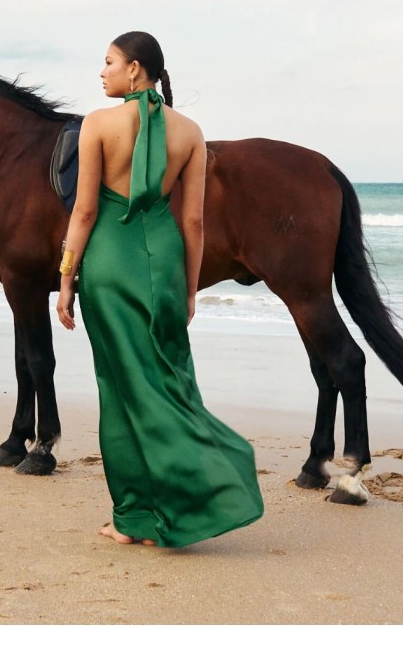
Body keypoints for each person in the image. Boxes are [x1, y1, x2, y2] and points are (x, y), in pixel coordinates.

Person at [56, 31, 263, 547]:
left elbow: (84, 211)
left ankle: (133, 518)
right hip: (165, 262)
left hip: (108, 263)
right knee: (170, 381)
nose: (100, 72)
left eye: (108, 62)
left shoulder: (97, 125)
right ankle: (176, 505)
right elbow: (193, 221)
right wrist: (189, 288)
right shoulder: (190, 131)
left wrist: (65, 279)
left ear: (135, 69)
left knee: (121, 387)